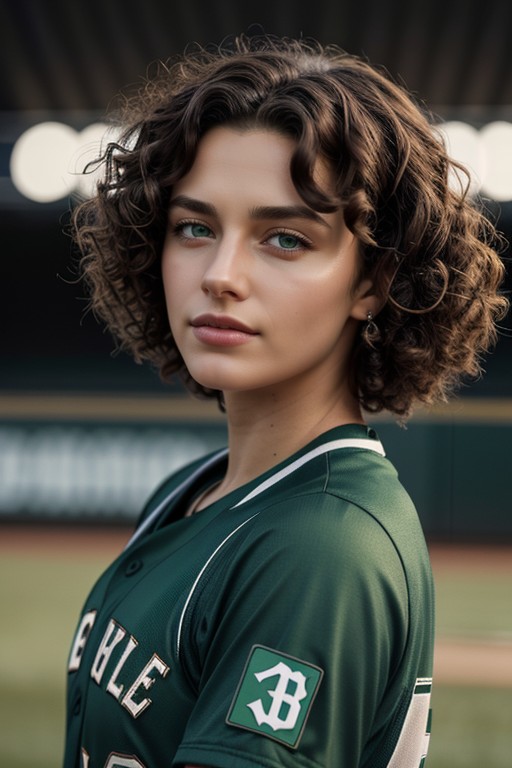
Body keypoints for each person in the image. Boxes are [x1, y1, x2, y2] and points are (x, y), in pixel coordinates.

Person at [64, 35, 508, 768]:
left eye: (284, 239)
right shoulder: (201, 488)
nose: (221, 274)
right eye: (195, 228)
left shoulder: (317, 548)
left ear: (373, 281)